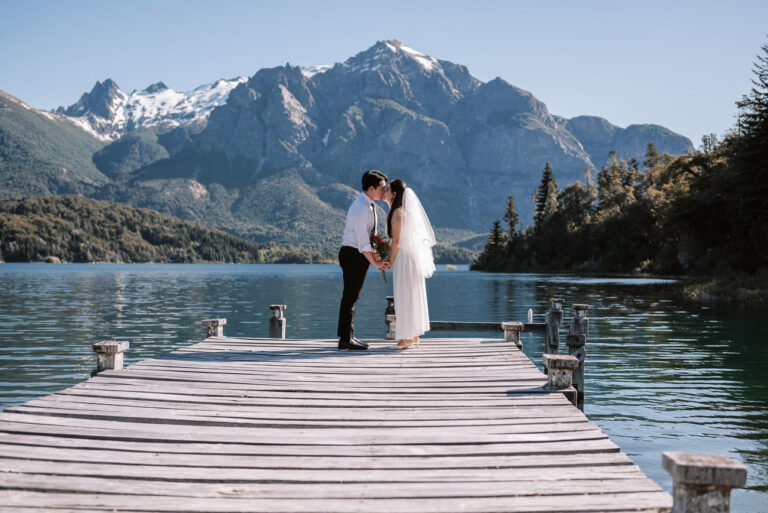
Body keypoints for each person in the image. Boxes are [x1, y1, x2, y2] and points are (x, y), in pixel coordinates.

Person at [337, 169, 390, 351]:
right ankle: (346, 339)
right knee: (350, 297)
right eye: (382, 188)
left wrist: (377, 256)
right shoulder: (360, 208)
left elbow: (370, 239)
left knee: (352, 297)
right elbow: (362, 242)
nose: (385, 190)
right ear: (371, 188)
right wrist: (375, 263)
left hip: (358, 254)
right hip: (353, 254)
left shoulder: (369, 205)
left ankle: (347, 336)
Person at [383, 179, 436, 349]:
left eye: (388, 188)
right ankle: (412, 335)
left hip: (404, 258)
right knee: (410, 294)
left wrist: (390, 260)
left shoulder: (398, 212)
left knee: (404, 295)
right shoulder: (397, 211)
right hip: (406, 257)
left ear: (395, 193)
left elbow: (396, 241)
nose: (385, 190)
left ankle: (405, 338)